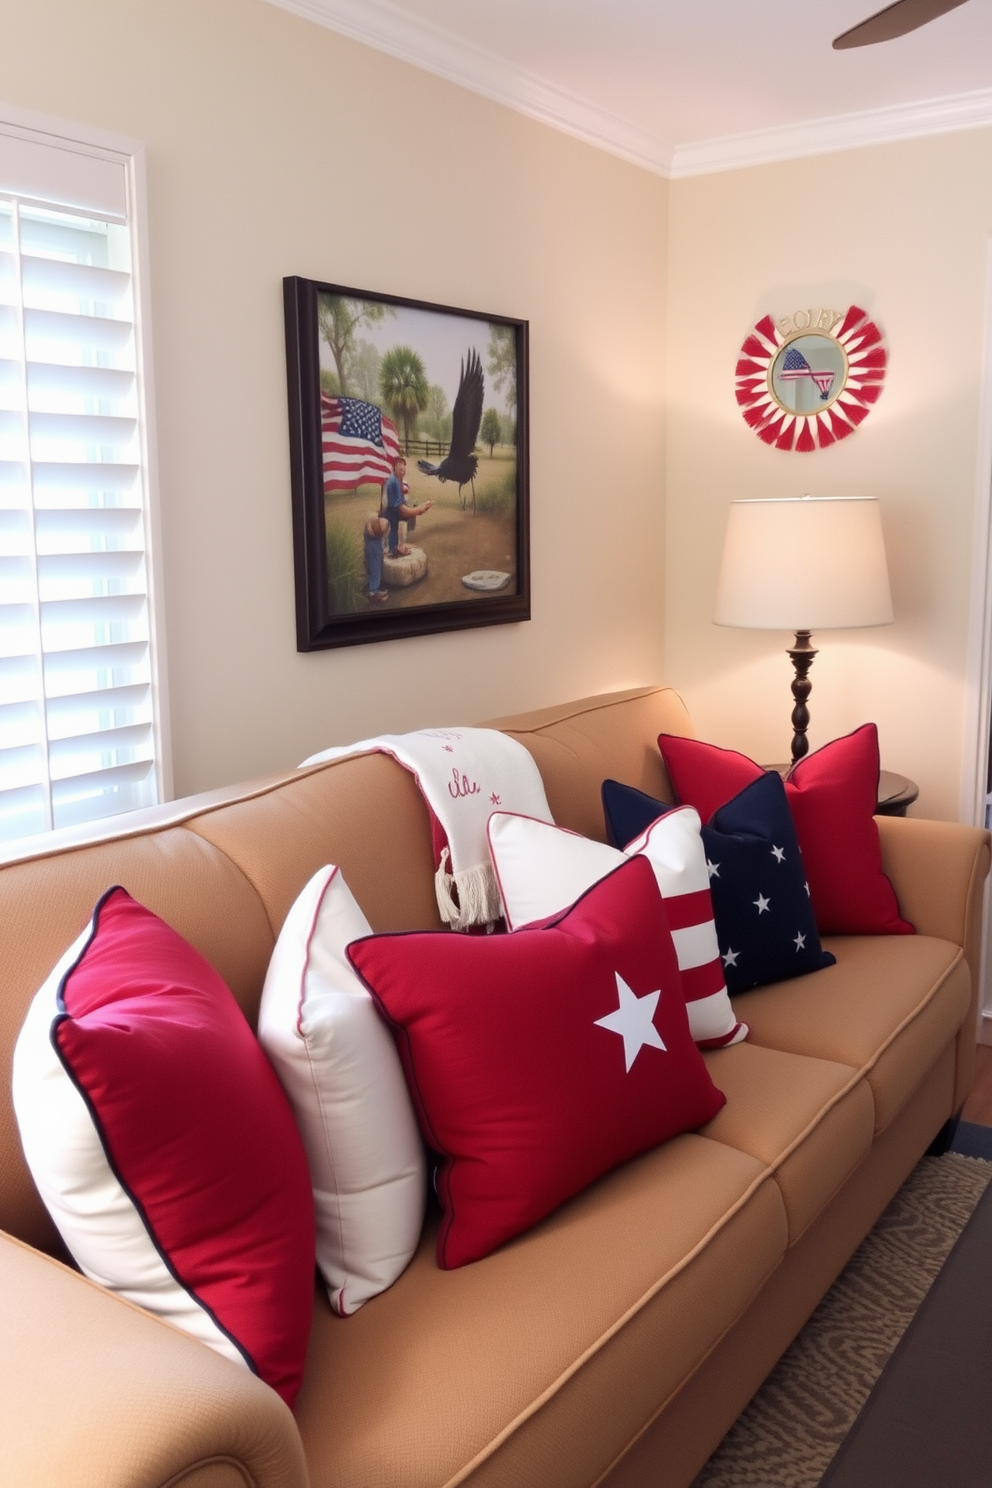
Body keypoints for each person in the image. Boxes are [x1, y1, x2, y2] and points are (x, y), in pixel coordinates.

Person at [382, 456, 433, 557]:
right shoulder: (394, 481)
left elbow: (402, 501)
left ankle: (395, 547)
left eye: (404, 468)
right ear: (394, 468)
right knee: (394, 528)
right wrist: (419, 510)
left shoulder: (397, 479)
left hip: (394, 508)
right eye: (401, 469)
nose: (403, 471)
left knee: (395, 528)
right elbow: (401, 509)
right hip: (392, 510)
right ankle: (394, 549)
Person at [362, 514, 390, 603]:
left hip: (375, 540)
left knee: (377, 564)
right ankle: (373, 592)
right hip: (372, 543)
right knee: (374, 565)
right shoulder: (372, 528)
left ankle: (376, 585)